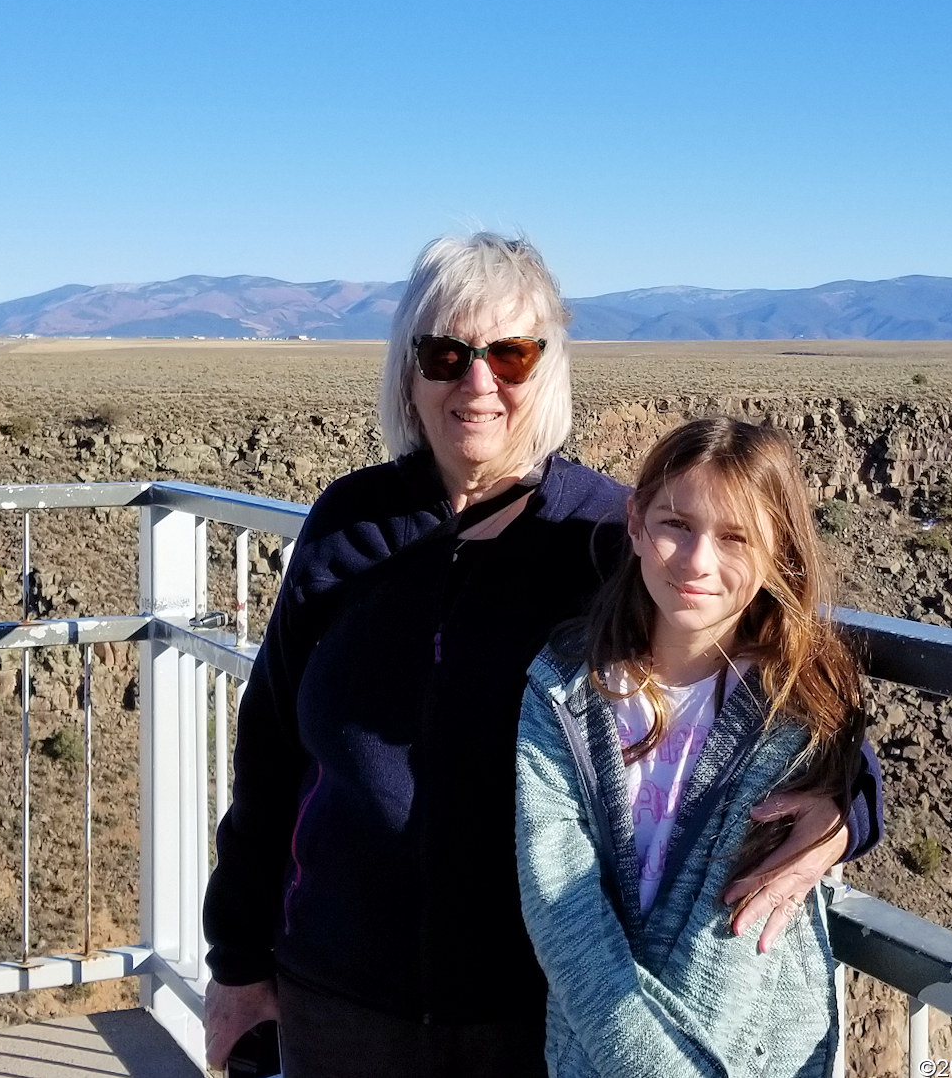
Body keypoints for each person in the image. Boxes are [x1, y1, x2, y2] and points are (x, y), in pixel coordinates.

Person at [203, 235, 881, 1078]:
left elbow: (768, 675)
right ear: (409, 371)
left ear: (547, 367)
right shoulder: (348, 525)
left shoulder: (602, 538)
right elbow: (268, 747)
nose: (477, 382)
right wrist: (235, 961)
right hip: (335, 996)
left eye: (510, 354)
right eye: (445, 352)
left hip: (526, 1011)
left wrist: (850, 805)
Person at [516, 416, 867, 1078]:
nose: (698, 560)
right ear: (636, 523)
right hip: (595, 1057)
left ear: (777, 552)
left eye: (735, 536)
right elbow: (561, 911)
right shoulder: (563, 693)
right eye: (677, 524)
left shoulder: (803, 712)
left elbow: (737, 937)